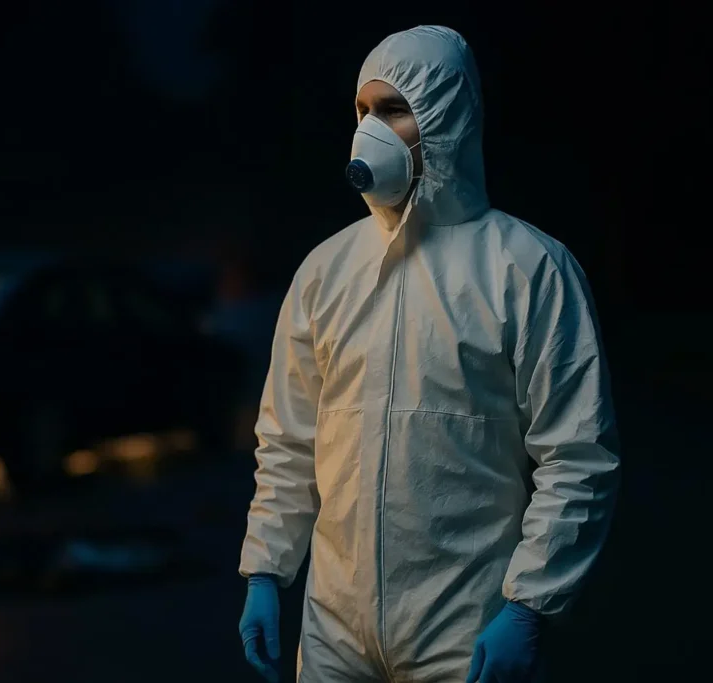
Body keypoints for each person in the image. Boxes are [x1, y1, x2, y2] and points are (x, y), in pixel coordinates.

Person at [237, 25, 621, 683]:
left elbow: (577, 454)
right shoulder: (327, 271)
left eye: (393, 110)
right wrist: (267, 571)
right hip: (335, 629)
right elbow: (289, 440)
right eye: (362, 110)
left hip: (464, 628)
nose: (370, 129)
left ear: (445, 116)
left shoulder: (526, 268)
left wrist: (529, 605)